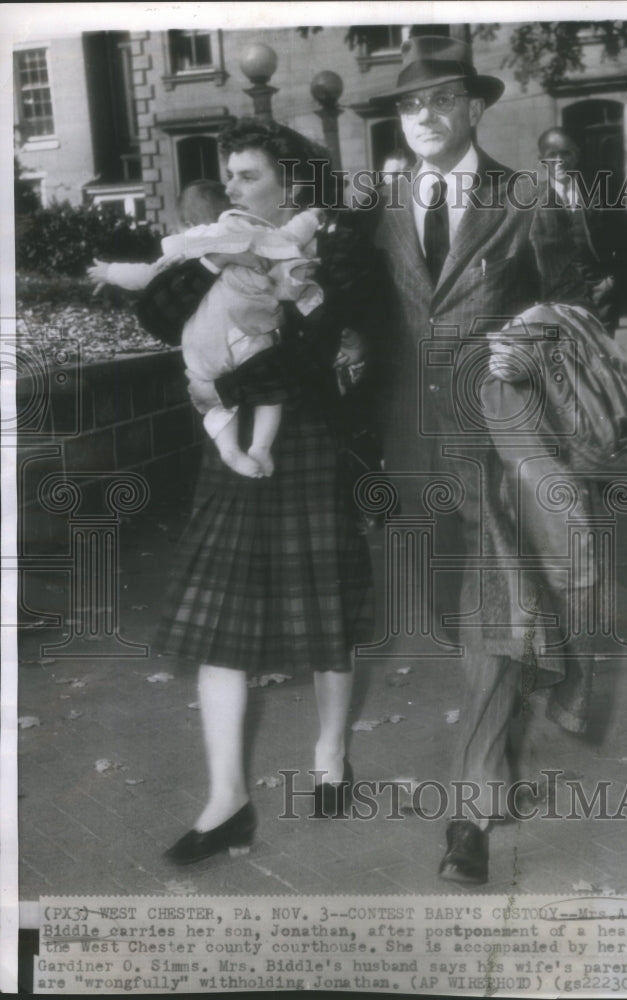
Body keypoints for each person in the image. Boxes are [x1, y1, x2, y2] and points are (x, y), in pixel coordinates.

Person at [370, 36, 600, 885]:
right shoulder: (384, 203)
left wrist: (528, 346)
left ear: (473, 107)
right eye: (407, 104)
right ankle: (497, 754)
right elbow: (367, 310)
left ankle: (468, 813)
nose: (422, 115)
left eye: (439, 99)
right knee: (451, 613)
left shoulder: (527, 197)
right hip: (411, 449)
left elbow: (579, 304)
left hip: (501, 438)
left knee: (492, 621)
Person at [134, 118, 380, 864]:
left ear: (289, 184)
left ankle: (332, 754)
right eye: (230, 175)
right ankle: (226, 800)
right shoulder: (216, 248)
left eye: (246, 175)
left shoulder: (331, 250)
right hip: (231, 444)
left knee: (324, 607)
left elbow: (320, 354)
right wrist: (201, 280)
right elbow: (159, 318)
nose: (231, 188)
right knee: (221, 616)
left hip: (302, 441)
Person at [88, 180, 326, 478]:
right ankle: (260, 447)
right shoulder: (248, 233)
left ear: (186, 222)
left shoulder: (185, 247)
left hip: (200, 344)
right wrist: (314, 213)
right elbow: (290, 235)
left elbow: (148, 276)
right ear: (230, 210)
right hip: (246, 334)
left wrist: (109, 272)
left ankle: (229, 450)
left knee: (207, 395)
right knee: (271, 392)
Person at [533, 127, 627, 337]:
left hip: (599, 294)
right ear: (542, 161)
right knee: (563, 361)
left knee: (601, 359)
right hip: (555, 299)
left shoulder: (602, 192)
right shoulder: (531, 202)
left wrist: (611, 281)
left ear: (577, 155)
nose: (560, 161)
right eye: (552, 155)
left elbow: (625, 239)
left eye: (566, 153)